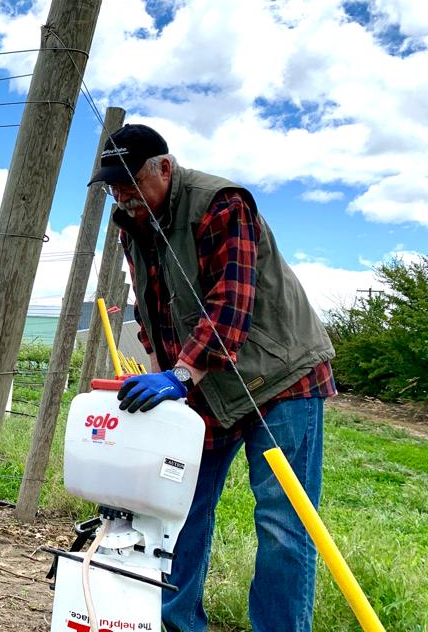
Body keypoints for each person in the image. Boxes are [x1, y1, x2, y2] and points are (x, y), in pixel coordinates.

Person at [87, 124, 336, 632]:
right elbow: (153, 306)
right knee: (179, 507)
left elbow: (230, 307)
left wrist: (180, 375)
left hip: (280, 377)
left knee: (282, 522)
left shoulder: (222, 204)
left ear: (165, 168)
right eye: (113, 186)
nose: (123, 195)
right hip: (204, 383)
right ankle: (176, 625)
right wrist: (161, 370)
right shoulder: (130, 221)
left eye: (131, 182)